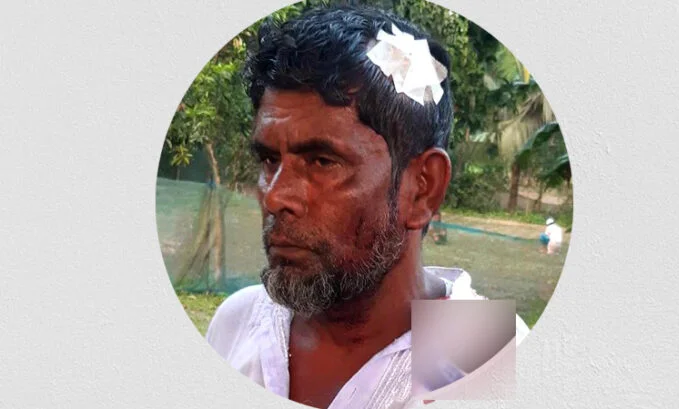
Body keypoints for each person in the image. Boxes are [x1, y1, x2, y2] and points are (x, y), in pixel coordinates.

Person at [205, 6, 527, 409]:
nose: (274, 197)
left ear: (423, 188)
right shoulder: (239, 324)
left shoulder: (486, 360)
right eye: (270, 160)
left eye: (322, 162)